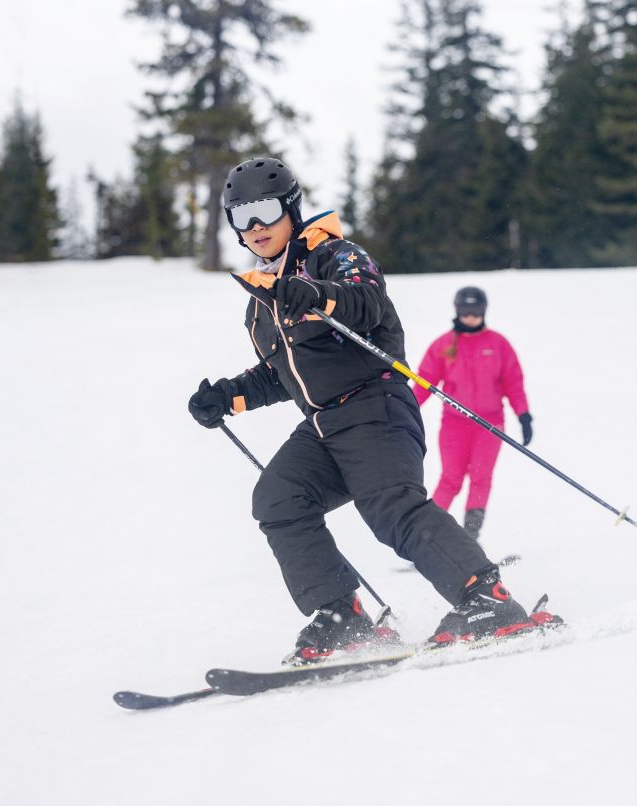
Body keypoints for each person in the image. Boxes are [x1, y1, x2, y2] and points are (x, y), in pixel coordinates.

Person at [187, 156, 540, 664]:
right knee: (279, 497)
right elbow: (281, 373)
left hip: (376, 404)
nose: (256, 227)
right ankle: (341, 616)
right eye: (242, 217)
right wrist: (228, 396)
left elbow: (365, 302)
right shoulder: (261, 300)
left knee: (389, 506)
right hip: (323, 425)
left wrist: (311, 293)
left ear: (291, 208)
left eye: (265, 210)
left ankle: (486, 598)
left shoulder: (336, 256)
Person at [412, 287, 532, 542]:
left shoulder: (498, 344)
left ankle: (470, 537)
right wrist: (407, 409)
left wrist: (523, 414)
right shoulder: (444, 345)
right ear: (456, 311)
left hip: (490, 425)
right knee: (450, 479)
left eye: (475, 311)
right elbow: (424, 381)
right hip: (454, 424)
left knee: (481, 477)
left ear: (483, 311)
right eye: (465, 311)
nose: (470, 317)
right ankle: (428, 539)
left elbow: (514, 382)